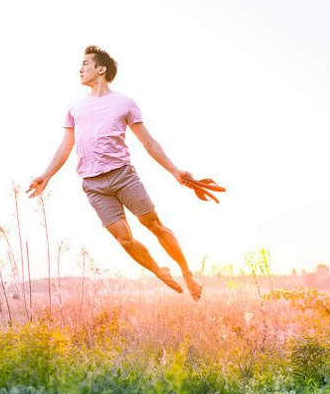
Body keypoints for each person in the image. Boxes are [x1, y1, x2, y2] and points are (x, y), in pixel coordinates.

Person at [26, 45, 203, 301]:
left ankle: (187, 273)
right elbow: (66, 146)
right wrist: (47, 175)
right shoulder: (75, 107)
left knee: (153, 225)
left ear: (101, 69)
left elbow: (148, 142)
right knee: (125, 240)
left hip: (123, 176)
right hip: (93, 185)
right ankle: (158, 271)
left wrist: (175, 171)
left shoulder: (124, 103)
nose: (81, 68)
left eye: (86, 63)